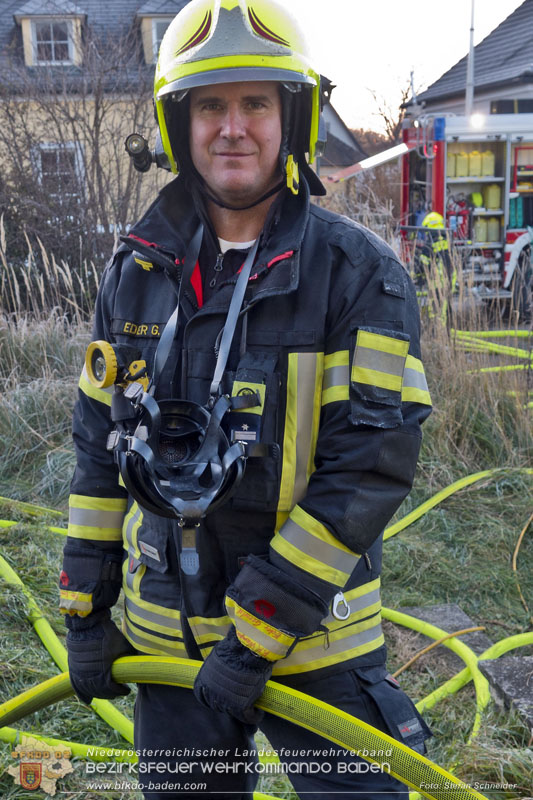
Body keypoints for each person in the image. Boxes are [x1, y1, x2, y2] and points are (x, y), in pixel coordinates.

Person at [59, 1, 433, 797]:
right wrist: (85, 606)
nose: (233, 127)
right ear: (178, 125)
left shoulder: (359, 275)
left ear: (289, 118)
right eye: (211, 105)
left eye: (255, 103)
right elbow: (98, 451)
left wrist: (258, 629)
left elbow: (365, 471)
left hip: (313, 645)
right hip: (168, 636)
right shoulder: (135, 272)